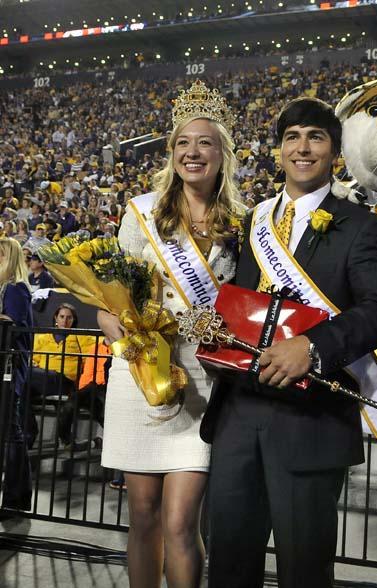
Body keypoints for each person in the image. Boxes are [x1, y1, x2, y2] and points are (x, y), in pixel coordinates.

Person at [201, 97, 377, 588]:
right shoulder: (254, 223)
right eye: (292, 137)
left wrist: (311, 347)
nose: (302, 147)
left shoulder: (362, 225)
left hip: (309, 420)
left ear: (333, 151)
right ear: (278, 151)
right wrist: (217, 335)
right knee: (227, 563)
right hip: (239, 414)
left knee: (304, 571)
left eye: (315, 136)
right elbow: (246, 308)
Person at [95, 80, 239, 588]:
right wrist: (113, 326)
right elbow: (108, 300)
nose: (192, 152)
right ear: (172, 152)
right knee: (143, 514)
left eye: (204, 142)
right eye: (182, 142)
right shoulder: (141, 215)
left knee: (181, 522)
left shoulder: (241, 225)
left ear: (222, 153)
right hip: (141, 373)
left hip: (201, 382)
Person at [29, 303, 95, 447]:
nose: (65, 321)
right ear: (55, 318)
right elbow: (34, 359)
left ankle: (29, 433)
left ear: (73, 320)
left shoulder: (80, 337)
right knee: (20, 388)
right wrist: (32, 363)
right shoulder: (44, 336)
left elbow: (90, 359)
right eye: (62, 317)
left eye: (69, 318)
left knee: (22, 378)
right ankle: (29, 432)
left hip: (64, 381)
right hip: (41, 379)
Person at [0, 238, 34, 510]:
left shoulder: (15, 288)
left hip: (10, 366)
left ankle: (16, 497)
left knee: (12, 431)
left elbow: (15, 324)